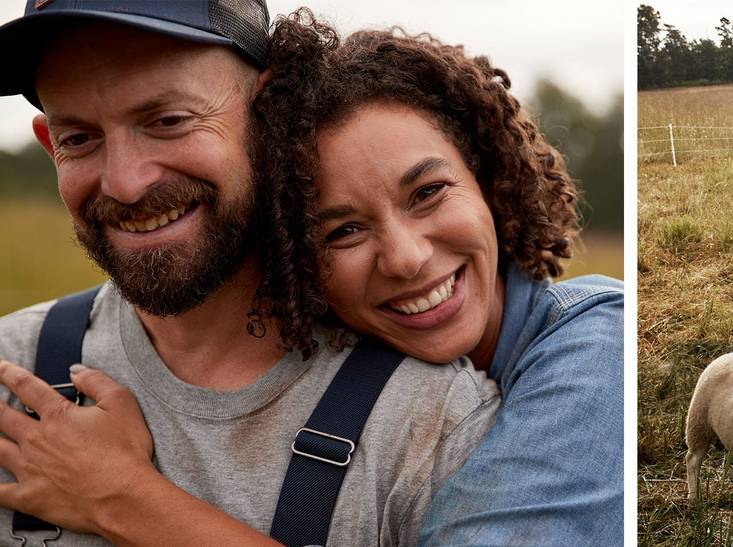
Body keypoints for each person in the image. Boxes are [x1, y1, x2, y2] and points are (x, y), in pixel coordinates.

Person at [0, 3, 618, 546]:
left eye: (169, 120)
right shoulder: (15, 359)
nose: (125, 181)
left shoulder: (576, 360)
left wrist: (123, 498)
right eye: (79, 137)